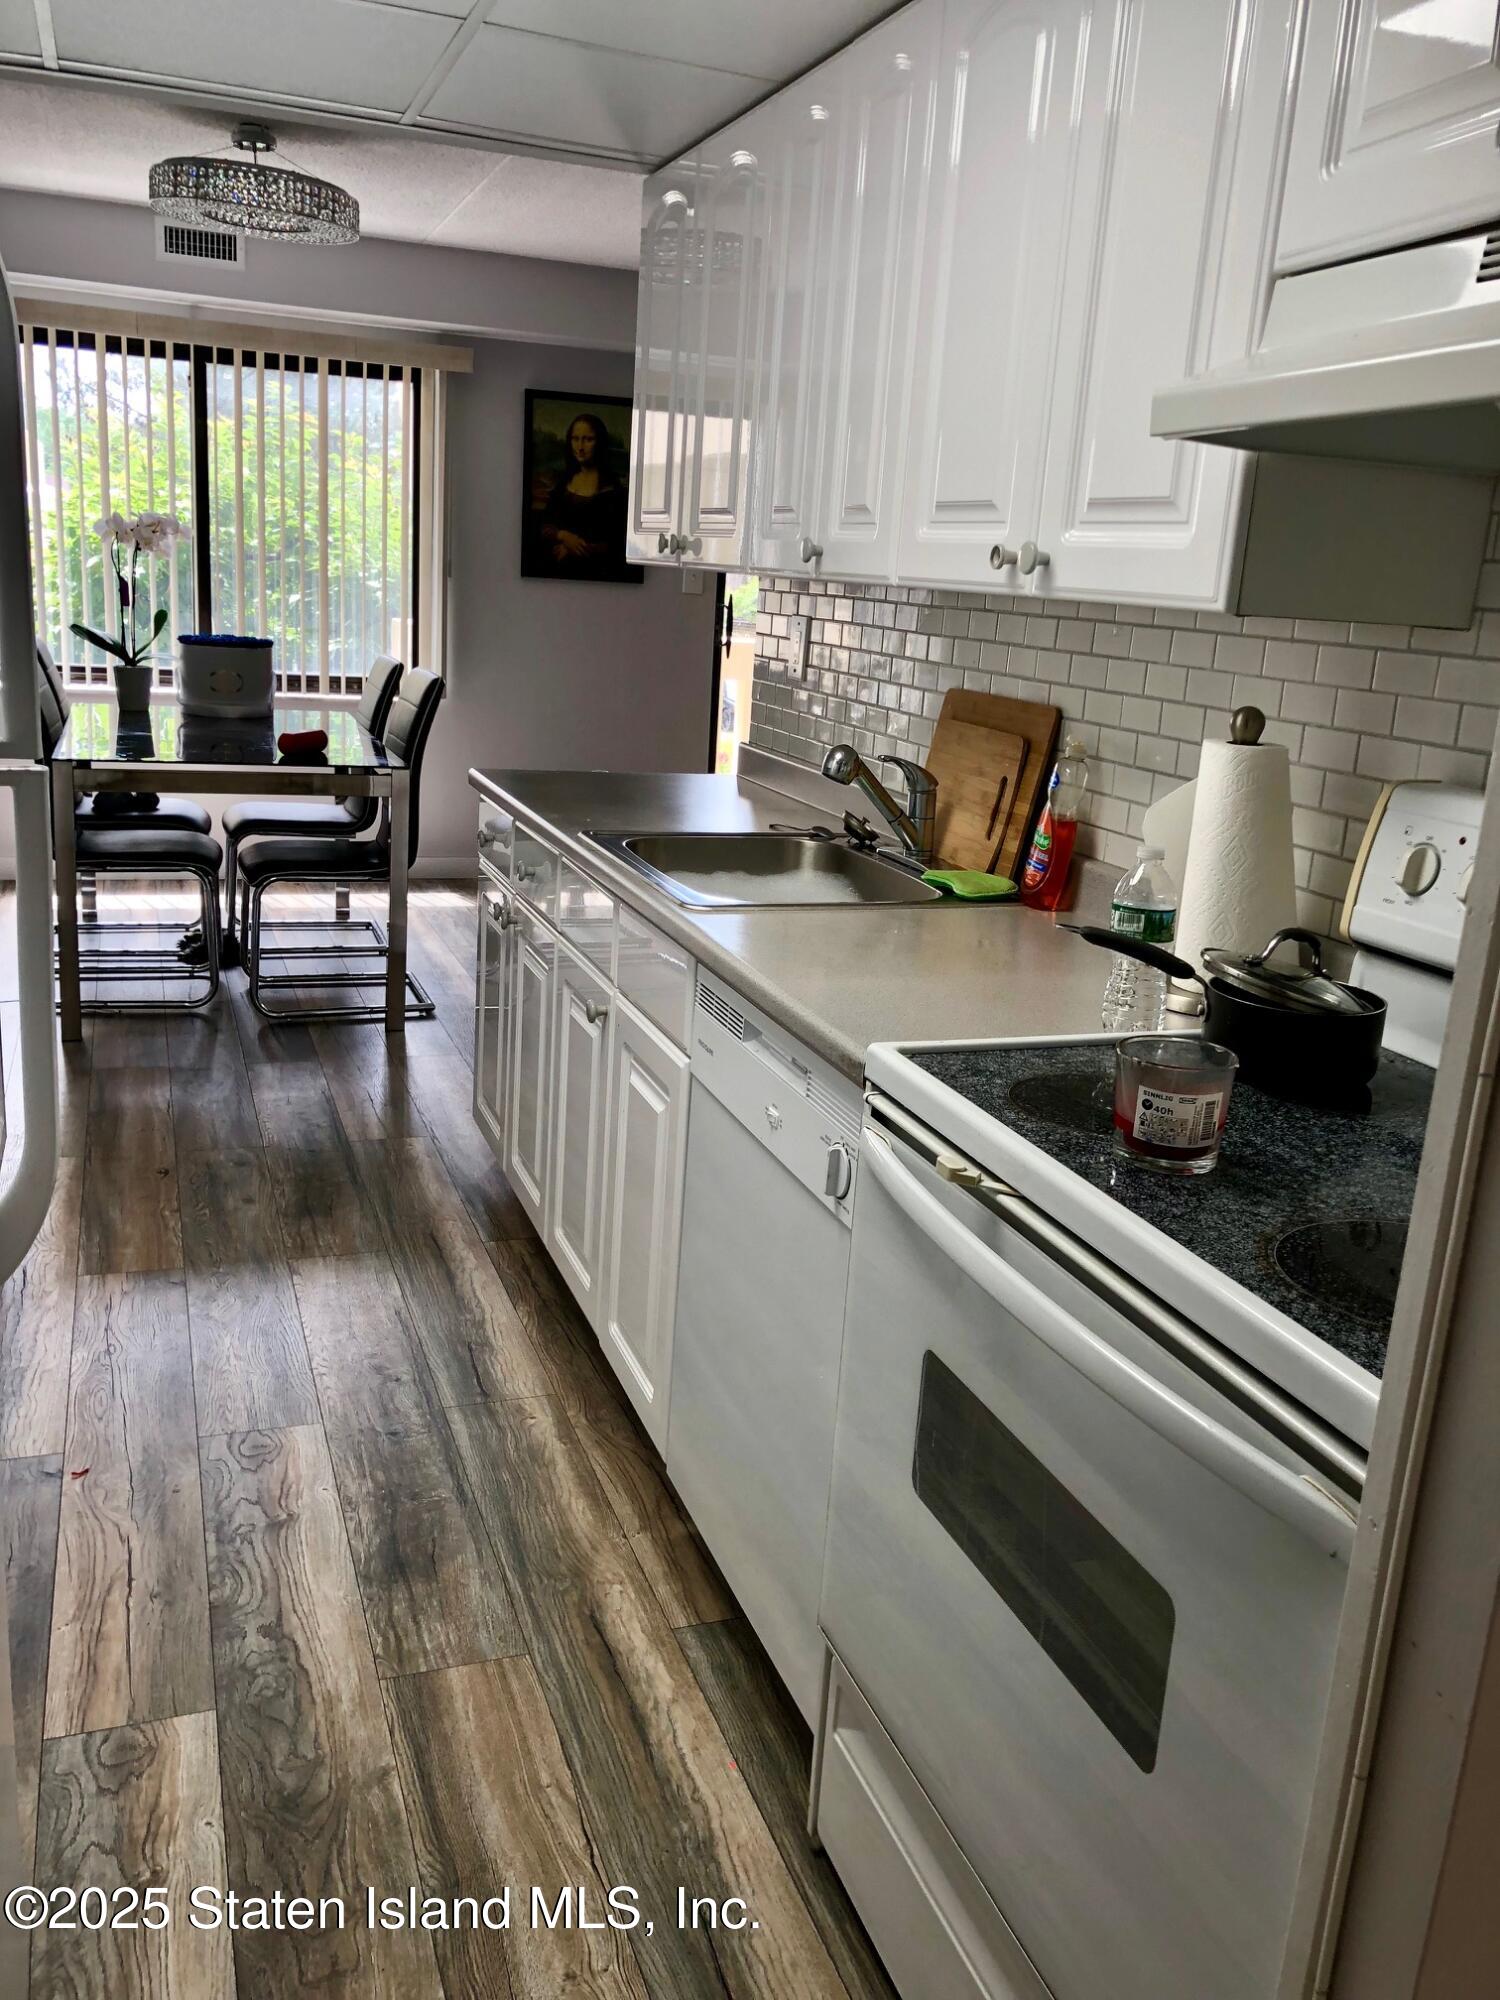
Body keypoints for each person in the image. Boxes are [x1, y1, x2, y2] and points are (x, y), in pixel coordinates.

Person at [536, 412, 629, 579]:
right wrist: (564, 536)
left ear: (599, 442)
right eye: (575, 438)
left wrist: (572, 549)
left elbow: (615, 544)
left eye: (588, 439)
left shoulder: (613, 491)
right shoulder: (563, 484)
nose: (579, 446)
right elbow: (544, 526)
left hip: (597, 576)